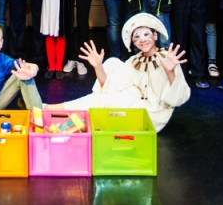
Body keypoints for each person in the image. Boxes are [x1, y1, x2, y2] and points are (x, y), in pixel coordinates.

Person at [45, 13, 190, 133]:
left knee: (102, 100)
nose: (142, 40)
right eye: (136, 37)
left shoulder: (167, 58)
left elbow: (179, 99)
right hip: (136, 100)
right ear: (133, 42)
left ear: (155, 36)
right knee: (112, 63)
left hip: (152, 114)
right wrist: (98, 67)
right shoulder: (134, 61)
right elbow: (108, 87)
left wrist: (170, 72)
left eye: (146, 34)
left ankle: (50, 109)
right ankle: (65, 116)